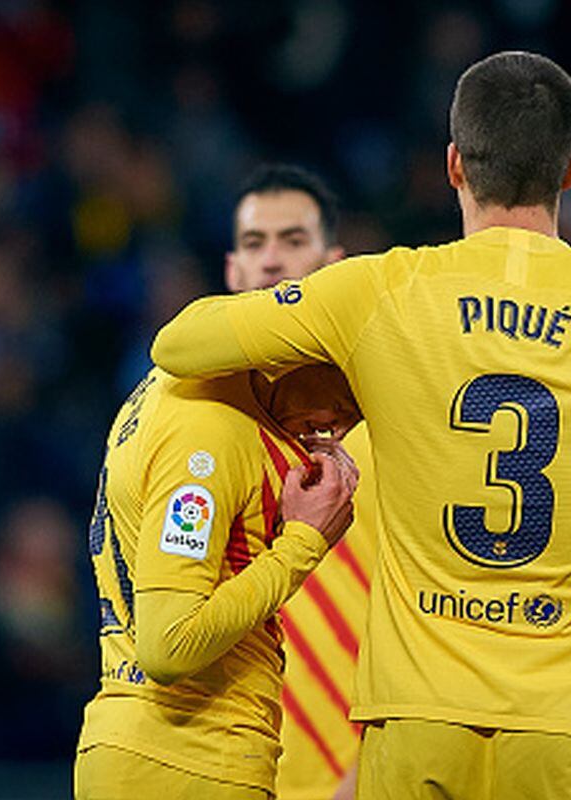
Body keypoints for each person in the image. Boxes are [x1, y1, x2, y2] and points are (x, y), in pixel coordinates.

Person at [152, 51, 571, 800]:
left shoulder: (380, 291)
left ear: (455, 165)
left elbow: (179, 343)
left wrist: (336, 378)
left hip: (416, 723)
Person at [74, 359, 362, 800]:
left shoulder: (184, 383)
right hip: (192, 757)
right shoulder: (209, 433)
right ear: (291, 348)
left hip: (140, 747)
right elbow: (169, 644)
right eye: (346, 392)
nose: (342, 425)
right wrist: (304, 542)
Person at [226, 163, 377, 800]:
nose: (271, 262)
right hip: (226, 768)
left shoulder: (386, 423)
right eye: (255, 244)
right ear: (232, 271)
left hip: (361, 778)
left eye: (292, 241)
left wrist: (373, 771)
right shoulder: (201, 428)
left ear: (333, 264)